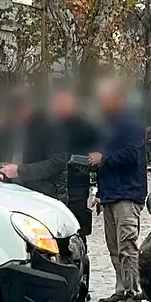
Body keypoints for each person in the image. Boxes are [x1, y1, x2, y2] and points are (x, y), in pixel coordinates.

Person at [89, 78, 147, 302]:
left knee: (126, 246)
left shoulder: (129, 122)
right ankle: (121, 289)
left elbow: (131, 156)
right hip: (112, 194)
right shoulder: (109, 124)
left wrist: (103, 158)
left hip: (126, 194)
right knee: (114, 247)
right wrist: (101, 192)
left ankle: (132, 293)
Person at [0, 91, 68, 203]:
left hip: (43, 197)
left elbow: (57, 162)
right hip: (14, 192)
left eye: (17, 113)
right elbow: (3, 150)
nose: (14, 118)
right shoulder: (11, 126)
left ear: (28, 108)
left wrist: (20, 171)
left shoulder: (50, 127)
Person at [50, 85, 99, 236]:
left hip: (77, 185)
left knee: (77, 230)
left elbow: (98, 155)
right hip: (54, 187)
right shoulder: (51, 125)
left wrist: (99, 190)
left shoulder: (85, 126)